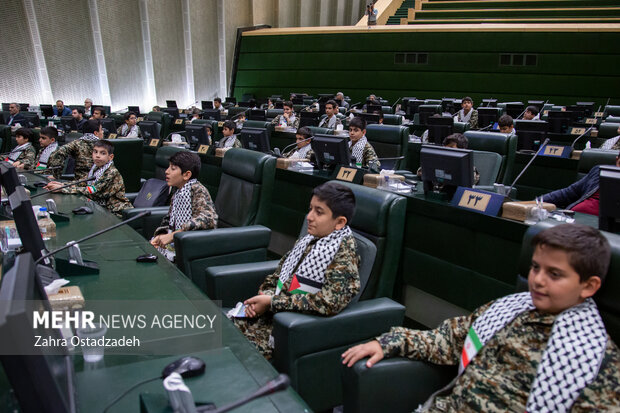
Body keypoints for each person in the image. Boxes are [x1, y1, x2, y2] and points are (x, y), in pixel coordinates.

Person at [343, 224, 619, 412]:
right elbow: (446, 339)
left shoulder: (595, 361)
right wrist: (388, 342)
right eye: (535, 268)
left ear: (589, 286)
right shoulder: (509, 309)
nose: (537, 280)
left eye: (554, 274)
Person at [231, 182, 360, 359]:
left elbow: (327, 304)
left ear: (339, 222)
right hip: (269, 315)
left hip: (288, 328)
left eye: (319, 212)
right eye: (310, 209)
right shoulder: (309, 240)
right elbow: (278, 276)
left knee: (229, 352)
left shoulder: (343, 255)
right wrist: (264, 298)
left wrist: (271, 302)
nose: (309, 217)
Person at [150, 151, 217, 261]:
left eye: (173, 168)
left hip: (192, 247)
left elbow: (208, 219)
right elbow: (169, 220)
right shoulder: (178, 192)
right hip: (176, 244)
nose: (166, 172)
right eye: (168, 167)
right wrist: (161, 236)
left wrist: (174, 235)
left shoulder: (197, 190)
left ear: (186, 175)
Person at [45, 140, 132, 217]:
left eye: (103, 153)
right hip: (100, 208)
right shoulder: (96, 168)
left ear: (110, 157)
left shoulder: (111, 172)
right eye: (95, 152)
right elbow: (82, 182)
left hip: (115, 212)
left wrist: (63, 189)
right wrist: (62, 185)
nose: (97, 156)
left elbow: (93, 191)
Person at [542, 151, 620, 216]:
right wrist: (537, 202)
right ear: (617, 160)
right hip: (571, 218)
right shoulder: (599, 171)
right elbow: (568, 193)